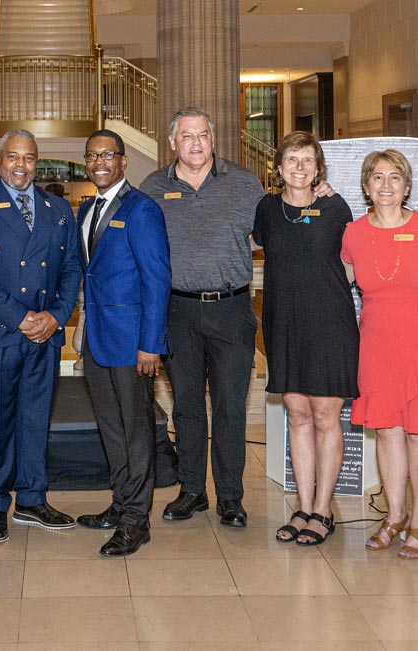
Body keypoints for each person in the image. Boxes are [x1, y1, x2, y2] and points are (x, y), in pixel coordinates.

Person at [140, 107, 332, 527]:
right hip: (177, 311)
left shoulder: (246, 186)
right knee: (187, 406)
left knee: (230, 406)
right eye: (186, 136)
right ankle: (192, 491)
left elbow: (284, 225)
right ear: (172, 142)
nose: (195, 143)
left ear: (213, 139)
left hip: (231, 311)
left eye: (203, 135)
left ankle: (230, 497)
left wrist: (318, 198)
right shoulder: (153, 187)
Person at [0, 129, 81, 543]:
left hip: (44, 334)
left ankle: (31, 498)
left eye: (29, 158)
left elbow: (71, 270)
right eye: (13, 157)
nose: (21, 166)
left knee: (35, 418)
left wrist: (56, 317)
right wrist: (21, 317)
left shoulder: (58, 208)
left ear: (36, 161)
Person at [341, 150, 418, 558]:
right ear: (366, 187)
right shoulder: (352, 234)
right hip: (376, 344)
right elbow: (333, 282)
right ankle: (395, 515)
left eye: (394, 178)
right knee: (387, 431)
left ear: (407, 186)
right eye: (377, 177)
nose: (385, 185)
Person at [252, 131, 358, 545]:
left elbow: (357, 259)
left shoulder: (335, 208)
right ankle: (302, 503)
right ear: (279, 168)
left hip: (330, 322)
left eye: (308, 160)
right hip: (283, 322)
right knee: (297, 415)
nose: (299, 167)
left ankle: (323, 509)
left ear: (319, 169)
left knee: (326, 417)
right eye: (292, 160)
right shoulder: (266, 209)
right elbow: (249, 243)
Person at [74, 130, 171, 556]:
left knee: (135, 431)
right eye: (92, 155)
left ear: (123, 160)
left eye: (107, 155)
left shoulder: (142, 210)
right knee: (111, 429)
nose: (99, 162)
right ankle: (121, 504)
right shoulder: (86, 209)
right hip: (97, 340)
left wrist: (151, 344)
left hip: (133, 343)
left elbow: (157, 280)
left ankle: (136, 521)